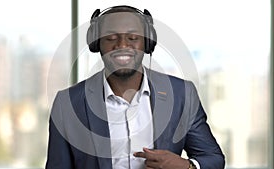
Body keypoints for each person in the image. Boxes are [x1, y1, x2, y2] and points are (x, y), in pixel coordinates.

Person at [45, 5, 225, 169]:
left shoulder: (181, 94)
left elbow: (213, 158)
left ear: (147, 43)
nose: (122, 45)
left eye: (132, 37)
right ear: (96, 43)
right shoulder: (67, 103)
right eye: (110, 38)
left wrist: (187, 166)